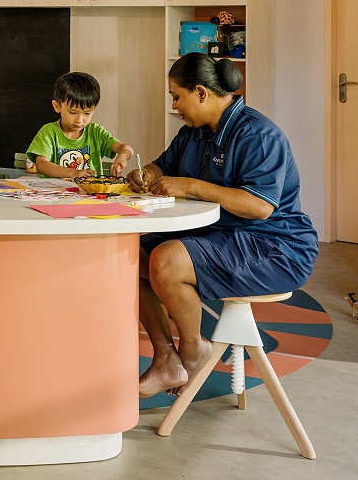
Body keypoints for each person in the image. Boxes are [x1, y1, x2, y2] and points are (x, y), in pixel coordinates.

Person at [131, 53, 319, 398]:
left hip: (276, 247)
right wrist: (148, 174)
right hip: (225, 236)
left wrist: (190, 185)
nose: (175, 106)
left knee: (167, 259)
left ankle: (193, 350)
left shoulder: (260, 136)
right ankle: (166, 359)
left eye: (177, 96)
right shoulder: (194, 133)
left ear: (201, 93)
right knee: (131, 256)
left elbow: (259, 207)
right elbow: (163, 165)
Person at [24, 71, 135, 178]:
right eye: (73, 112)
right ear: (57, 106)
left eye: (87, 113)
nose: (80, 120)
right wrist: (73, 173)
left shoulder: (96, 132)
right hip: (56, 194)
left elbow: (126, 148)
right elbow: (42, 165)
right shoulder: (49, 132)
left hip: (89, 196)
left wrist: (122, 156)